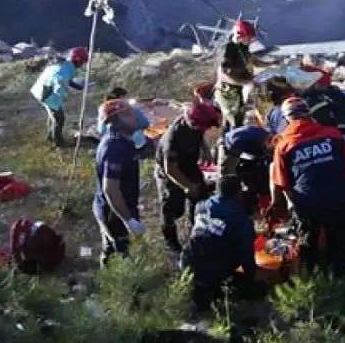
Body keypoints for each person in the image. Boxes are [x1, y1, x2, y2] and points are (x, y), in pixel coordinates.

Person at [270, 97, 345, 278]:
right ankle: (340, 279)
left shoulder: (284, 145)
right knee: (338, 243)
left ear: (287, 119)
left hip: (307, 203)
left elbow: (281, 181)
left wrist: (288, 203)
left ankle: (309, 282)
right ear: (309, 113)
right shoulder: (333, 134)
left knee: (307, 242)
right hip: (338, 198)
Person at [180, 175, 263, 313]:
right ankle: (214, 291)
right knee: (257, 288)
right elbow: (247, 260)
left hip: (188, 261)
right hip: (215, 270)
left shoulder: (201, 206)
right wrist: (251, 280)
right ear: (238, 193)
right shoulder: (241, 222)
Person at [155, 100, 223, 254]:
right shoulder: (173, 138)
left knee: (200, 197)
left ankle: (199, 231)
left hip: (189, 165)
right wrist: (187, 186)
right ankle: (171, 243)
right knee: (172, 208)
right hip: (170, 173)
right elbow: (170, 169)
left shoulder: (198, 124)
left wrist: (205, 151)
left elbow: (200, 137)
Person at [93, 99, 146, 268]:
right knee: (125, 254)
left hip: (115, 207)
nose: (134, 116)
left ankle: (106, 267)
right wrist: (129, 221)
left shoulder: (123, 140)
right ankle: (128, 289)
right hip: (114, 212)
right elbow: (111, 189)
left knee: (110, 245)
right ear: (116, 122)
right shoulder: (114, 149)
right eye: (127, 114)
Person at [30, 48, 90, 147]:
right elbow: (60, 82)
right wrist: (62, 94)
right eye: (83, 61)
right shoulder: (65, 69)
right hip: (47, 94)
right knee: (59, 118)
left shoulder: (64, 64)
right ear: (78, 60)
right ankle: (58, 142)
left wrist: (77, 86)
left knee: (53, 116)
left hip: (40, 90)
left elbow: (66, 80)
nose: (82, 64)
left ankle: (50, 136)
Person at [221, 125, 274, 215]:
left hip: (253, 152)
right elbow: (228, 169)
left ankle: (262, 209)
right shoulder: (240, 140)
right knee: (235, 182)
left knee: (262, 178)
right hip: (232, 147)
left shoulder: (270, 139)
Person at [214, 20, 257, 132]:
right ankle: (231, 145)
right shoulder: (227, 50)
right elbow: (223, 74)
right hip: (228, 93)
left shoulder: (242, 46)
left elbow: (249, 59)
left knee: (237, 119)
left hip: (239, 89)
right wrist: (245, 83)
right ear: (239, 35)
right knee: (235, 123)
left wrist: (271, 64)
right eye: (248, 38)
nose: (250, 41)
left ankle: (228, 139)